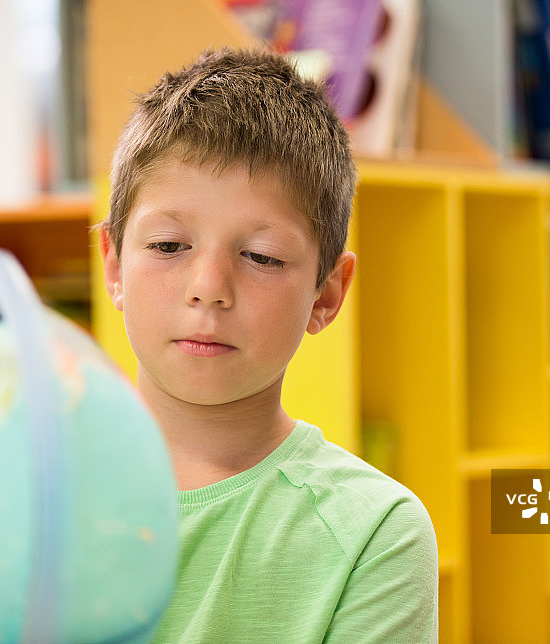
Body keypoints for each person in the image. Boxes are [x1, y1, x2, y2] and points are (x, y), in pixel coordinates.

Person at [99, 47, 438, 642]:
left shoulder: (373, 532)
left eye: (261, 257)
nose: (208, 290)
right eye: (169, 246)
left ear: (326, 294)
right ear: (113, 266)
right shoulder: (18, 480)